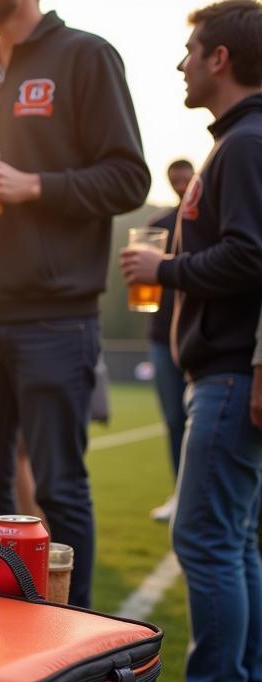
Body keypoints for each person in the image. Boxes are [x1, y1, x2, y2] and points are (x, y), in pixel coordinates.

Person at [0, 0, 150, 608]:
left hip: (55, 317)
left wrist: (34, 185)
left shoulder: (86, 56)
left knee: (60, 489)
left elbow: (129, 178)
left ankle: (74, 640)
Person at [121, 0, 262, 682]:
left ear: (220, 59)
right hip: (235, 369)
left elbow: (250, 255)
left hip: (231, 371)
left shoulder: (245, 144)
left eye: (190, 51)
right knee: (235, 540)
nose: (180, 64)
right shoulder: (239, 140)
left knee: (204, 536)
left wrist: (163, 267)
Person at [145, 158, 196, 523]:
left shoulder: (203, 223)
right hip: (163, 336)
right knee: (174, 420)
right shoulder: (157, 225)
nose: (179, 181)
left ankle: (197, 497)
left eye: (185, 176)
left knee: (201, 420)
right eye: (174, 176)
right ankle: (181, 495)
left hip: (196, 337)